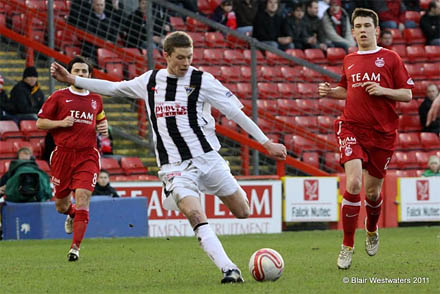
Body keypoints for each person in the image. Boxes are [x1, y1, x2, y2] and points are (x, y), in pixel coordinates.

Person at [49, 31, 286, 282]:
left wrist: (265, 142)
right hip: (175, 167)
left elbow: (236, 113)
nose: (185, 63)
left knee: (243, 211)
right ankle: (229, 270)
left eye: (190, 57)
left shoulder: (202, 80)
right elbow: (114, 88)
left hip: (208, 158)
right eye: (181, 58)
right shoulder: (150, 81)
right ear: (166, 55)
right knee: (194, 214)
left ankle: (225, 239)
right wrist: (73, 79)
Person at [318, 8, 414, 270]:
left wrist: (383, 90)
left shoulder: (391, 58)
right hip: (351, 128)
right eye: (357, 26)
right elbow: (347, 90)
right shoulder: (349, 59)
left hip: (382, 134)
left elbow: (407, 95)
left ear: (377, 30)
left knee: (373, 192)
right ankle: (347, 245)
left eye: (366, 26)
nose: (361, 30)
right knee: (354, 181)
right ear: (353, 31)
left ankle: (371, 228)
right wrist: (330, 92)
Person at [36, 56, 109, 262]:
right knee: (60, 205)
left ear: (89, 75)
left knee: (84, 197)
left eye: (84, 72)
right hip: (62, 156)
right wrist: (60, 123)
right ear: (70, 74)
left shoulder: (96, 99)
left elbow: (101, 121)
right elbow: (40, 124)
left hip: (88, 155)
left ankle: (75, 248)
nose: (80, 75)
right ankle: (71, 213)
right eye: (76, 71)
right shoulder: (59, 97)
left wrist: (103, 127)